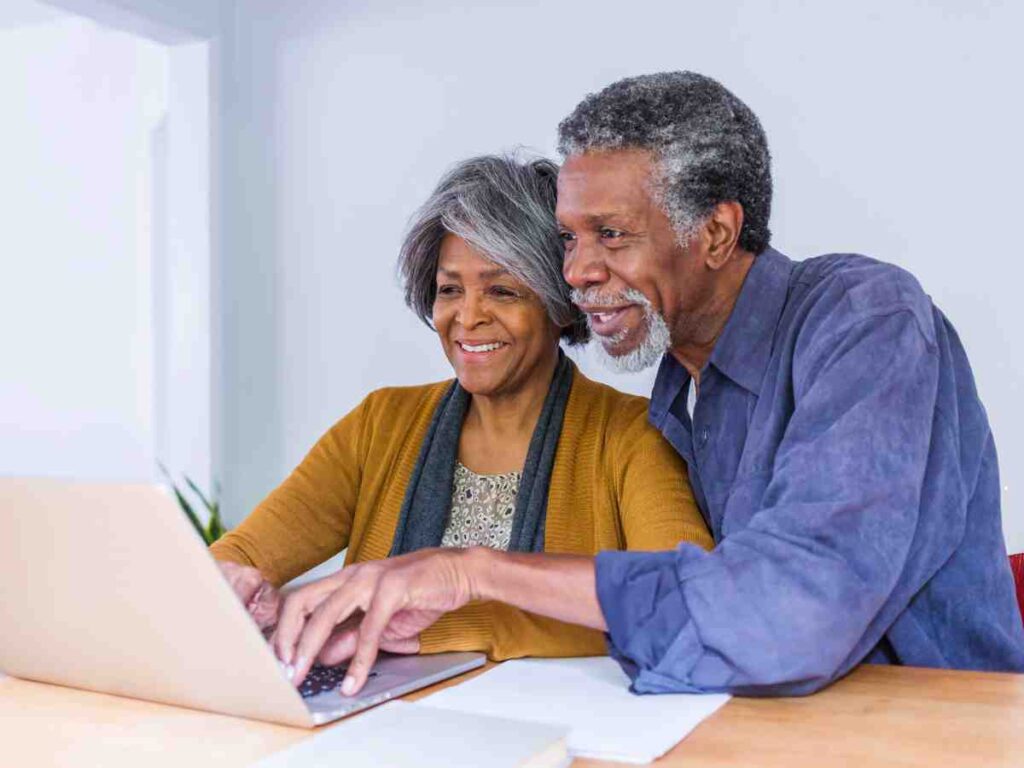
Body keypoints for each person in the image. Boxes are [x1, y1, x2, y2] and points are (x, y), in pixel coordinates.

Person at [272, 72, 1024, 699]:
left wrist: (473, 571)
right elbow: (697, 610)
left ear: (717, 234)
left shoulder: (865, 319)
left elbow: (790, 616)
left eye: (613, 235)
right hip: (757, 728)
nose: (575, 273)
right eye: (569, 238)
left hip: (929, 730)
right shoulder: (681, 388)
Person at [210, 153, 712, 673]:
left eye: (501, 290)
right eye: (450, 290)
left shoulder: (632, 437)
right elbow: (242, 554)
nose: (467, 317)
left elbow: (683, 604)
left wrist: (421, 629)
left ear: (560, 304)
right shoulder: (380, 424)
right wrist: (237, 587)